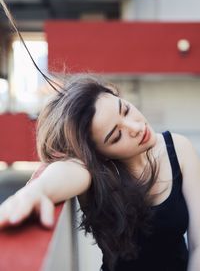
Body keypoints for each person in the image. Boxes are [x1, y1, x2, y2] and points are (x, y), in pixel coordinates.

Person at [0, 74, 199, 271]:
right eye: (116, 136)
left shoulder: (178, 148)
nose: (136, 127)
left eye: (126, 110)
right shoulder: (99, 174)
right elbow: (66, 170)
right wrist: (37, 190)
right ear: (99, 154)